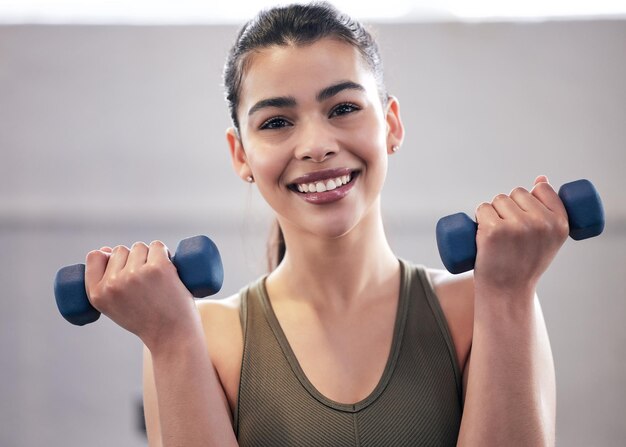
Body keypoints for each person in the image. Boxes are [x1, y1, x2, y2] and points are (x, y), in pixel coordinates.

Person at [84, 2, 567, 445]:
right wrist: (171, 342)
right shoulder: (199, 336)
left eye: (343, 108)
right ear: (240, 155)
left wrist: (507, 296)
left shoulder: (482, 307)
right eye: (276, 122)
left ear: (391, 125)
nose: (316, 145)